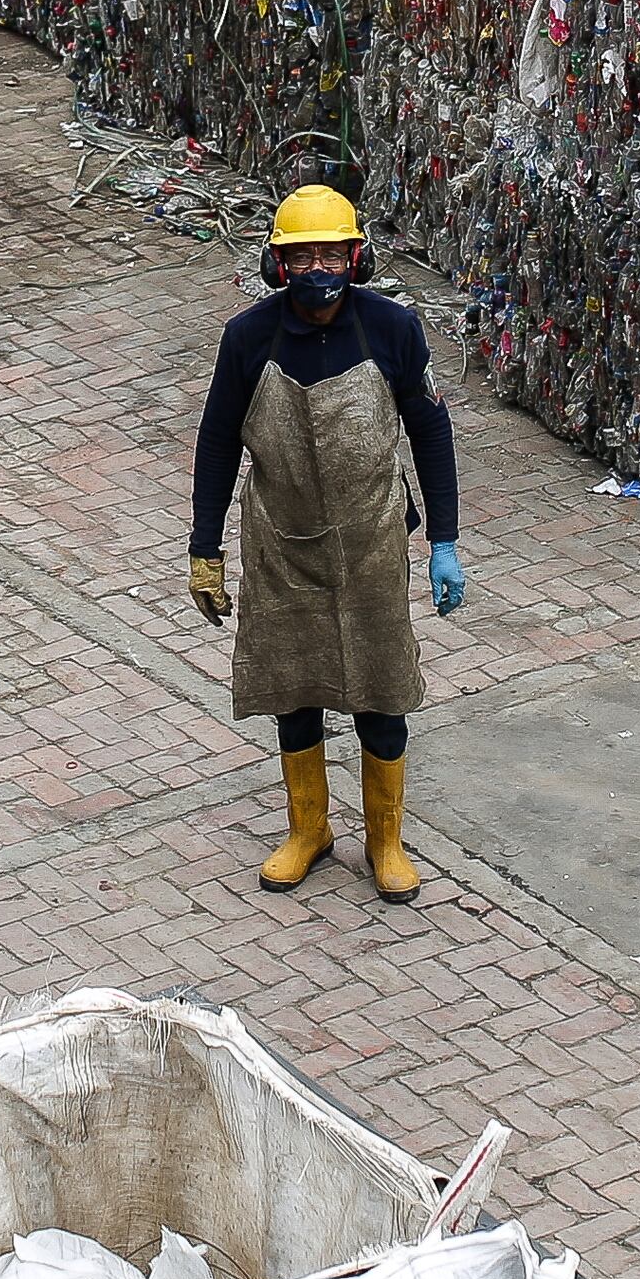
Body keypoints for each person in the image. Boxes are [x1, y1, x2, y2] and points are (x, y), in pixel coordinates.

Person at [185, 184, 464, 900]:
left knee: (380, 693)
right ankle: (309, 827)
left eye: (331, 253)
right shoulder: (247, 337)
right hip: (283, 545)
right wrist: (204, 547)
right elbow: (217, 442)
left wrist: (444, 540)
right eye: (301, 254)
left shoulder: (394, 329)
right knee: (295, 690)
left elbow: (431, 430)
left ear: (356, 257)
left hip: (371, 542)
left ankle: (386, 839)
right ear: (278, 264)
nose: (317, 267)